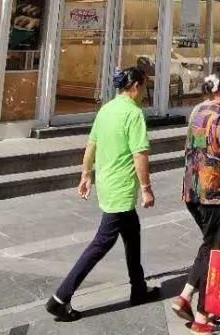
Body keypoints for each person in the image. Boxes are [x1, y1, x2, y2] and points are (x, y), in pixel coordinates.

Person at [46, 67, 161, 322]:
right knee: (102, 243)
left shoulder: (106, 109)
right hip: (121, 188)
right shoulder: (133, 113)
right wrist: (146, 188)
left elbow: (92, 144)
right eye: (145, 86)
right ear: (136, 86)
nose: (145, 91)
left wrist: (86, 174)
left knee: (132, 234)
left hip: (107, 183)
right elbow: (140, 154)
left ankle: (138, 287)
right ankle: (60, 298)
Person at [171, 68, 220, 334]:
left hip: (192, 191)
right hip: (214, 195)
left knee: (209, 245)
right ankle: (202, 318)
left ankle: (185, 295)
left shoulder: (197, 111)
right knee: (215, 255)